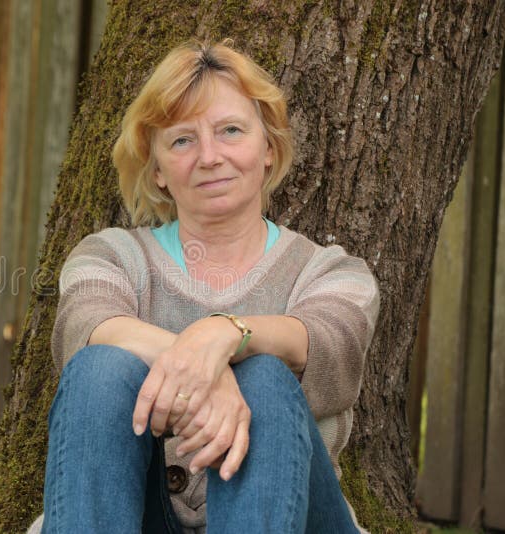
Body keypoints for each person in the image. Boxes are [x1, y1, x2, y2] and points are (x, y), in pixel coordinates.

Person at [35, 40, 379, 534]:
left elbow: (333, 345)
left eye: (231, 131)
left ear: (269, 148)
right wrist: (205, 370)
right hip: (142, 519)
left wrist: (227, 333)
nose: (210, 156)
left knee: (262, 379)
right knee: (99, 368)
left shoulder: (333, 273)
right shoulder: (110, 256)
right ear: (157, 170)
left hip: (294, 517)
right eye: (182, 141)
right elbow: (85, 324)